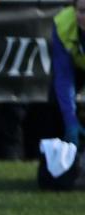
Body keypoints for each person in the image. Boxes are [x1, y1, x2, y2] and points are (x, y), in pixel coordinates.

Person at [48, 0, 85, 144]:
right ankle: (62, 155)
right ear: (73, 10)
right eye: (82, 11)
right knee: (56, 97)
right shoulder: (63, 23)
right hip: (77, 66)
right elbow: (64, 77)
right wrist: (70, 120)